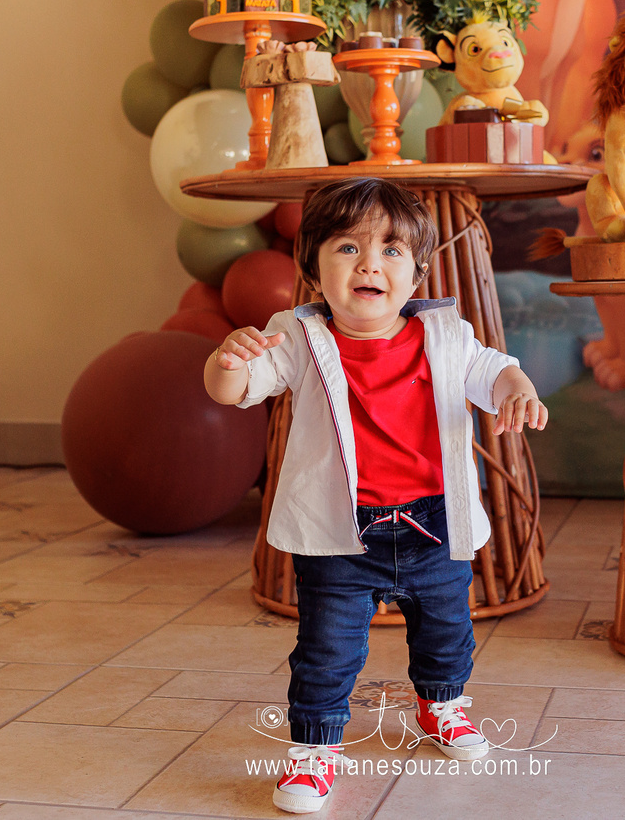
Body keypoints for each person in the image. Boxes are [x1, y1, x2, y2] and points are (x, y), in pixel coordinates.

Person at [202, 177, 548, 814]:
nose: (369, 264)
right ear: (313, 271)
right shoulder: (297, 337)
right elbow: (237, 389)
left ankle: (442, 703)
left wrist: (516, 387)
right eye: (347, 248)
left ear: (417, 274)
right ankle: (314, 750)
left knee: (447, 631)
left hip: (433, 524)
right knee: (327, 649)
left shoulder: (445, 334)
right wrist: (226, 361)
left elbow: (493, 369)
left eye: (391, 250)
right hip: (341, 532)